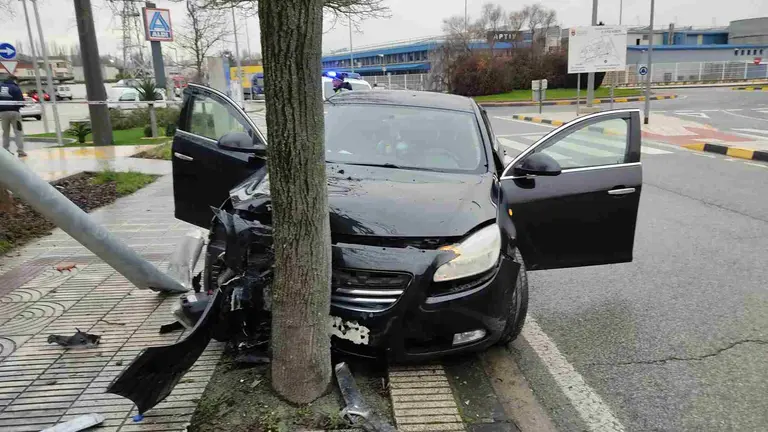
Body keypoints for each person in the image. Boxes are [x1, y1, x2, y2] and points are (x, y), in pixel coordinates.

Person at [0, 75, 26, 157]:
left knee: (5, 132)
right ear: (14, 80)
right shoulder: (15, 87)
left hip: (2, 113)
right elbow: (21, 101)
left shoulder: (0, 87)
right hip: (14, 112)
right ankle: (20, 151)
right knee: (18, 132)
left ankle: (6, 150)